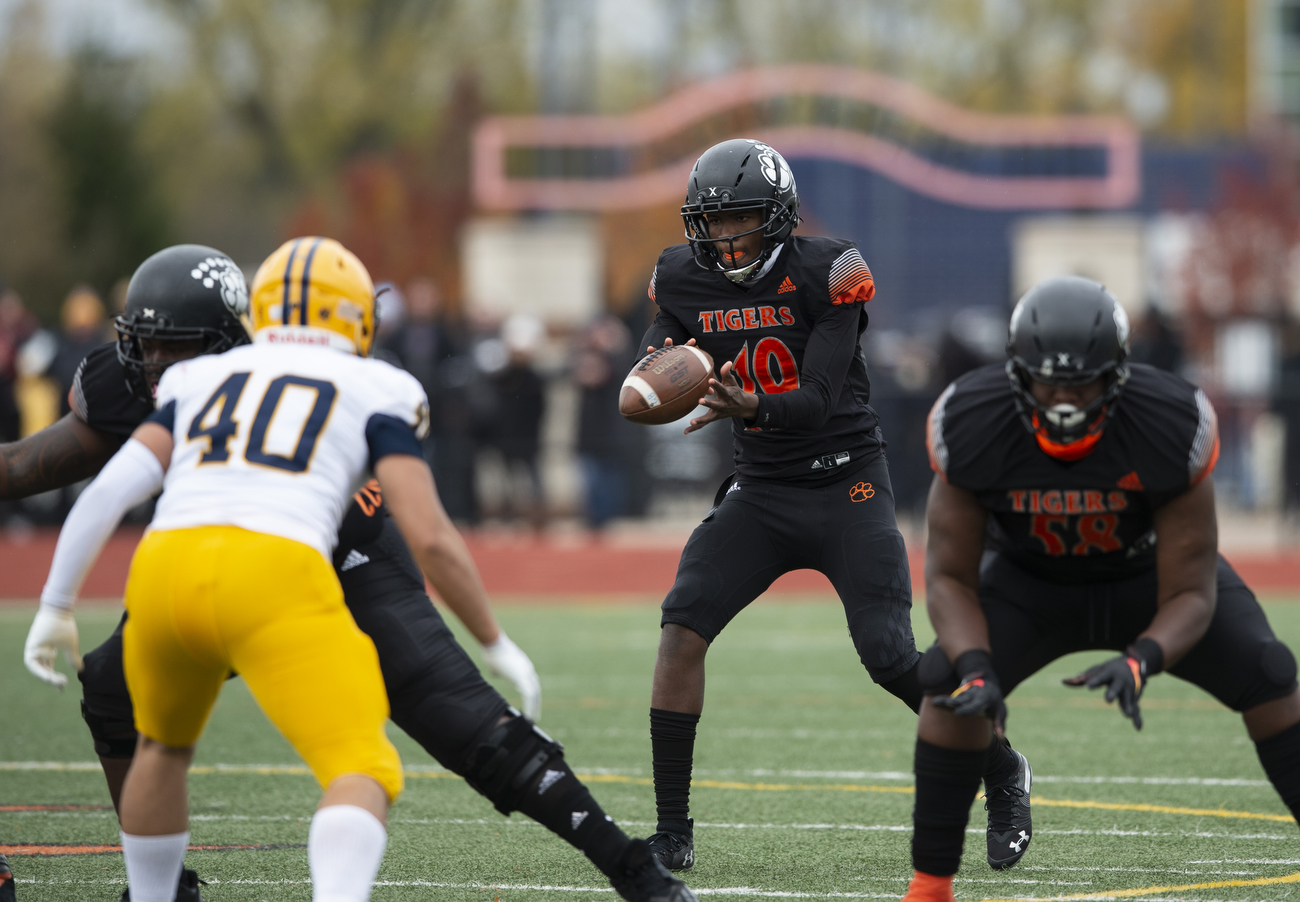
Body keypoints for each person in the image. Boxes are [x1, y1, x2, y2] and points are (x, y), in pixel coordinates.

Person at [21, 241, 696, 902]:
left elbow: (105, 492)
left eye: (178, 344)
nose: (159, 362)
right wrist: (495, 638)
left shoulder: (205, 381)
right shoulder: (354, 379)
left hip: (337, 554)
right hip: (269, 567)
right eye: (149, 344)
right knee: (123, 692)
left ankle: (630, 867)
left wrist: (55, 603)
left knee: (470, 725)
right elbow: (434, 533)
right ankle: (166, 886)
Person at [635, 138, 1029, 872]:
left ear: (779, 217)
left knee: (887, 656)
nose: (726, 239)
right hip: (761, 492)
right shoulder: (681, 277)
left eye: (742, 220)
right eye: (713, 225)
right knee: (681, 628)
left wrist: (749, 403)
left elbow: (815, 401)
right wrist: (656, 373)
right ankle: (671, 830)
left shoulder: (829, 270)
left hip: (846, 482)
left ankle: (1003, 768)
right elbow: (662, 346)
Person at [901, 276, 1300, 902]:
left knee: (1270, 672)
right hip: (1030, 582)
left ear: (1117, 375)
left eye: (1081, 382)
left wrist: (1144, 659)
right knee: (947, 682)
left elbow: (1193, 590)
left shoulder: (1169, 419)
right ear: (1015, 373)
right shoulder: (972, 418)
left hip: (1147, 579)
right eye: (1048, 381)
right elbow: (950, 575)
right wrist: (978, 668)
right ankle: (930, 886)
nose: (1063, 399)